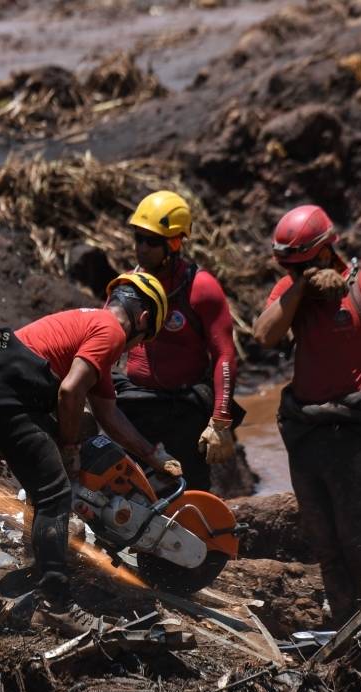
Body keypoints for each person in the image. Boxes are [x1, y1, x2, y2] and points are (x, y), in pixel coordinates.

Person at [0, 274, 182, 629]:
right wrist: (70, 446)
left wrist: (154, 456)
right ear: (142, 320)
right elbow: (69, 392)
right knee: (55, 493)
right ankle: (57, 605)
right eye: (141, 340)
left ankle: (40, 567)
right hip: (2, 392)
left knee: (43, 483)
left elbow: (108, 415)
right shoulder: (110, 331)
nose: (129, 350)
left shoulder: (91, 326)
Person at [252, 204, 361, 624]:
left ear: (327, 250)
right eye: (289, 267)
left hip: (353, 432)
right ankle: (348, 634)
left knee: (360, 543)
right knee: (325, 545)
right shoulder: (292, 291)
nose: (295, 272)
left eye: (303, 264)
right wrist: (300, 286)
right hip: (304, 433)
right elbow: (264, 335)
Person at [113, 190, 240, 491]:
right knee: (130, 493)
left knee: (190, 494)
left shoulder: (201, 289)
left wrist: (220, 421)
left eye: (152, 241)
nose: (142, 248)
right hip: (136, 406)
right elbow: (105, 343)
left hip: (184, 411)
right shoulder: (127, 288)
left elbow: (225, 354)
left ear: (175, 242)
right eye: (138, 238)